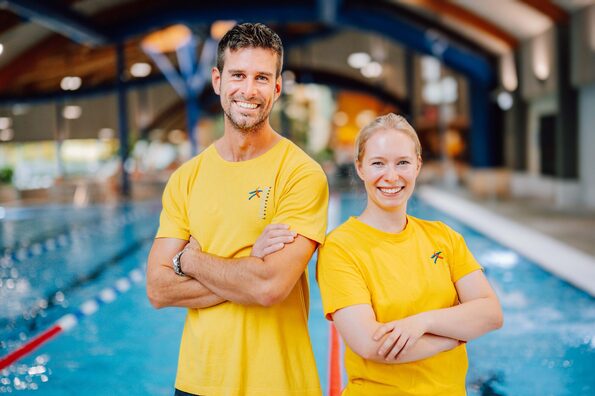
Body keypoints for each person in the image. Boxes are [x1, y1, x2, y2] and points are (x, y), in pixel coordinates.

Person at [146, 23, 329, 396]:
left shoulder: (300, 174)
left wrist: (189, 261)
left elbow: (268, 286)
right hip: (197, 382)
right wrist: (248, 263)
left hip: (279, 384)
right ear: (217, 80)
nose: (248, 90)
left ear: (277, 88)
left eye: (262, 77)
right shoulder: (186, 178)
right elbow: (158, 289)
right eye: (238, 75)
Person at [317, 113, 503, 395]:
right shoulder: (340, 248)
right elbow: (371, 344)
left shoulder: (444, 237)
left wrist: (423, 322)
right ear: (360, 168)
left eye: (402, 162)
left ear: (417, 165)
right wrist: (458, 334)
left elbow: (491, 313)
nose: (391, 176)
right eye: (378, 163)